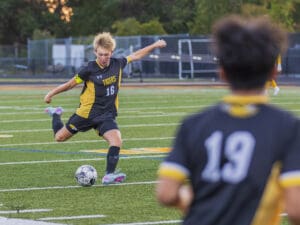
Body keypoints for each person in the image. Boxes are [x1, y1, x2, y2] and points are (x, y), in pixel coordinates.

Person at [156, 15, 300, 225]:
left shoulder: (192, 124)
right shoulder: (287, 127)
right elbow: (296, 210)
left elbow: (166, 193)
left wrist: (190, 200)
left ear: (222, 71)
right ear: (272, 72)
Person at [44, 32, 166, 184]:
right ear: (95, 52)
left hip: (106, 114)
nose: (103, 58)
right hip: (86, 114)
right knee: (59, 138)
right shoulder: (88, 69)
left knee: (116, 141)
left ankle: (109, 175)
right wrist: (51, 93)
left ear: (111, 53)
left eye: (106, 55)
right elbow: (70, 84)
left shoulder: (118, 63)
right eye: (100, 54)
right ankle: (56, 114)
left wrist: (155, 45)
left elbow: (136, 55)